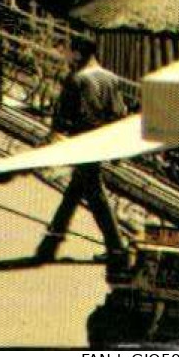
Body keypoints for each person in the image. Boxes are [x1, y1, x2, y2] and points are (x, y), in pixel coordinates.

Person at [35, 38, 130, 266]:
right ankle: (51, 239)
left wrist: (50, 139)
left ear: (78, 54)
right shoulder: (110, 78)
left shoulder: (77, 80)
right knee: (76, 190)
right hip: (102, 142)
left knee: (95, 195)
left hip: (83, 143)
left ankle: (117, 249)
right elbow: (120, 114)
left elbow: (62, 118)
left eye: (68, 52)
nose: (66, 56)